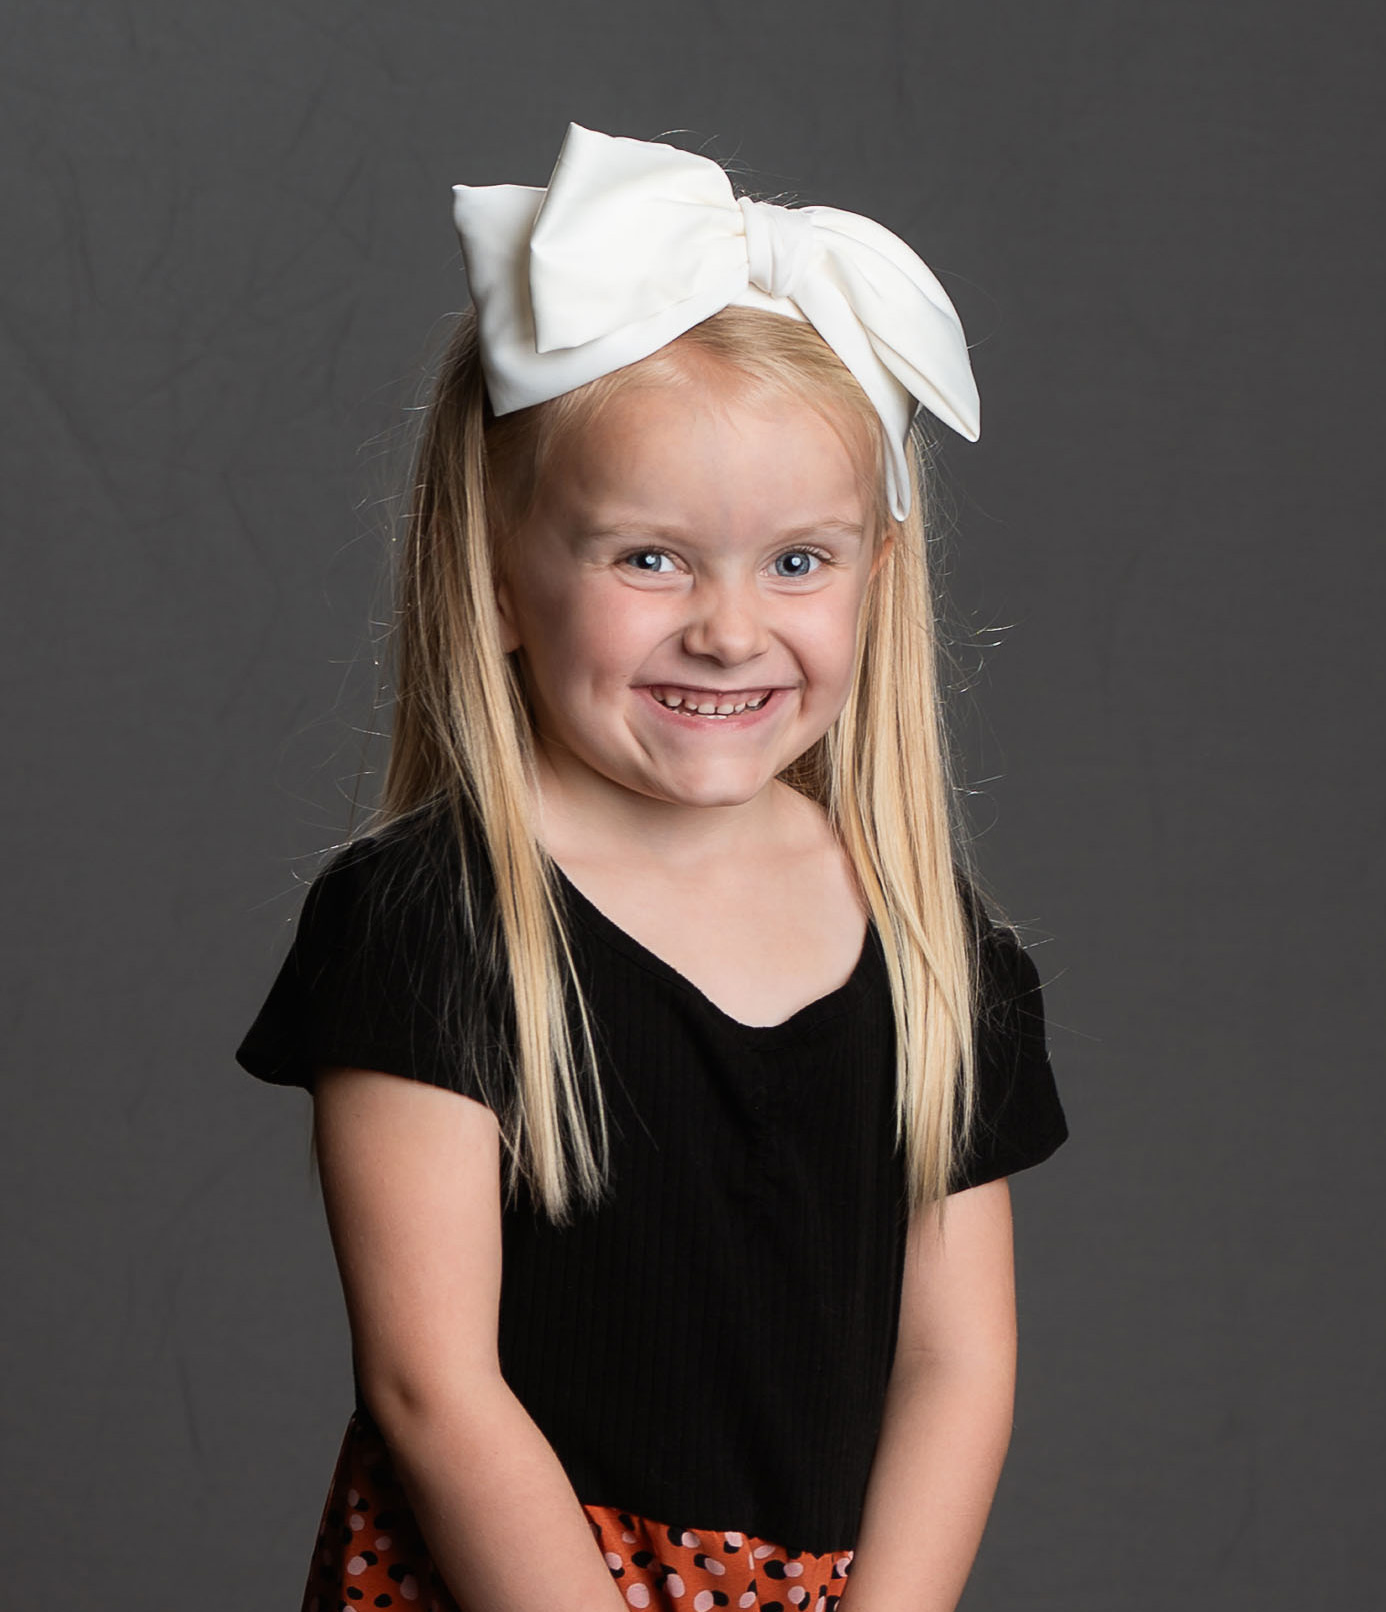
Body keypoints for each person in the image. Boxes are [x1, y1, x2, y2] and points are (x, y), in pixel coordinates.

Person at [237, 121, 1070, 1612]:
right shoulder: (429, 925)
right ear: (498, 575)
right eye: (649, 558)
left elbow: (957, 1365)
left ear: (876, 578)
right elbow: (433, 1385)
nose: (730, 631)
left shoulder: (933, 949)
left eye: (797, 562)